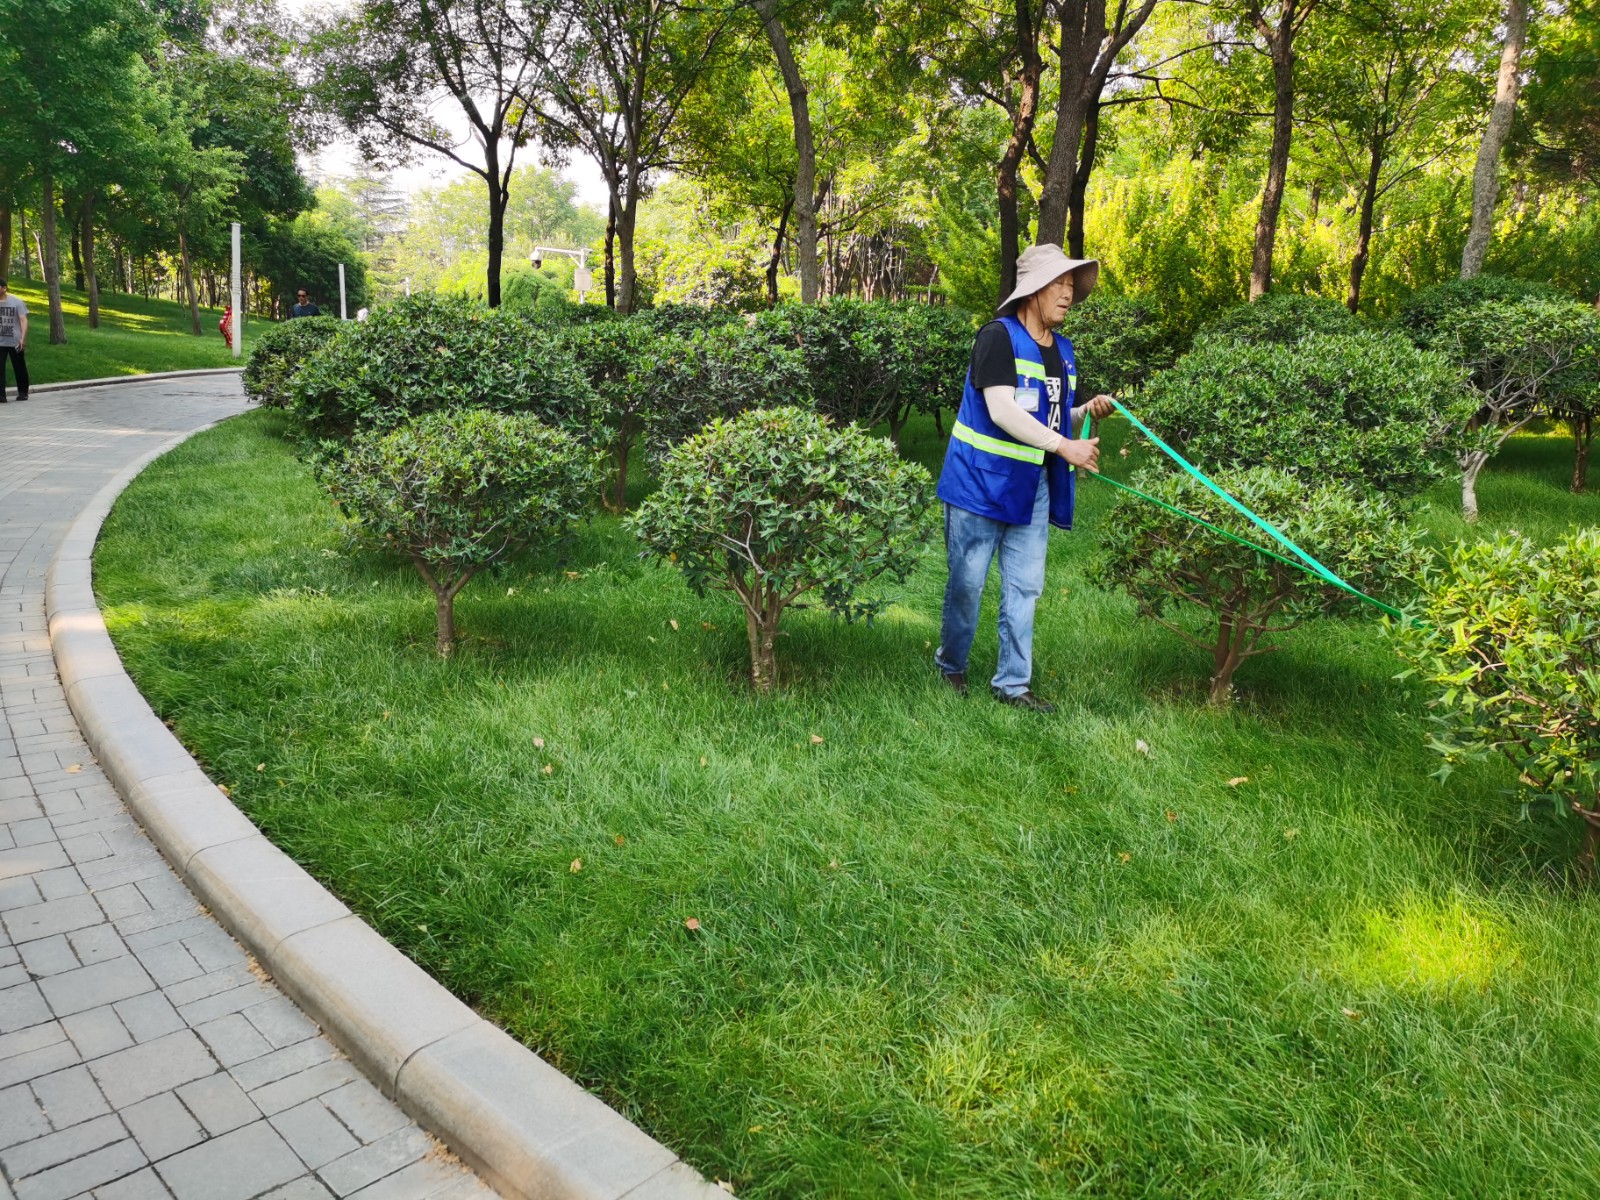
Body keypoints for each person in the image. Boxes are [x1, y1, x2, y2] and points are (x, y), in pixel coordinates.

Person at [934, 243, 1116, 713]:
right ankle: (950, 665)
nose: (1068, 294)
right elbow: (1002, 409)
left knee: (1026, 586)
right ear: (1032, 290)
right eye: (1059, 284)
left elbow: (1051, 420)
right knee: (967, 584)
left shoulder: (1065, 352)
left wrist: (1081, 415)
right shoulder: (996, 337)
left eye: (1071, 286)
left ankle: (1013, 685)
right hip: (979, 486)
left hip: (1029, 489)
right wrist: (1064, 448)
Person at [0, 278, 28, 403]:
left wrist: (23, 338)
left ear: (4, 288)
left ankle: (23, 392)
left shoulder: (16, 302)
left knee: (19, 367)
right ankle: (1, 395)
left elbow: (23, 320)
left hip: (15, 341)